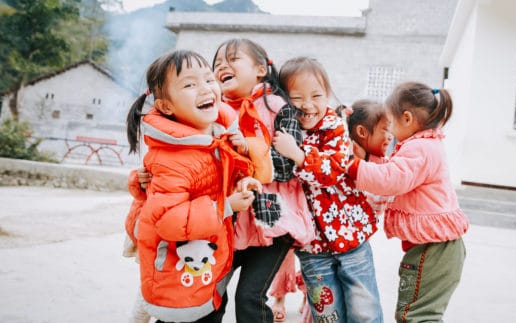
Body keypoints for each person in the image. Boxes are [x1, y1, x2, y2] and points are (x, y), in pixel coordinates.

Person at [124, 49, 262, 323]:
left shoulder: (213, 135)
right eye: (189, 84)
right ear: (166, 107)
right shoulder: (176, 155)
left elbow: (221, 174)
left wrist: (241, 180)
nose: (205, 89)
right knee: (175, 312)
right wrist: (225, 206)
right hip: (177, 256)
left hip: (199, 249)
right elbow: (167, 219)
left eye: (208, 79)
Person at [272, 56, 384, 323]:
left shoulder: (333, 127)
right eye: (296, 97)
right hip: (311, 245)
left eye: (316, 95)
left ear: (328, 95)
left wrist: (298, 155)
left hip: (351, 235)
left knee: (364, 306)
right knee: (326, 312)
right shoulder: (282, 132)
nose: (308, 105)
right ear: (283, 99)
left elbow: (331, 173)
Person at [346, 81, 469, 322]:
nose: (389, 132)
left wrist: (352, 166)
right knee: (421, 314)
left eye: (390, 123)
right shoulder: (425, 145)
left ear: (407, 118)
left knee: (416, 316)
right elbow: (396, 172)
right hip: (438, 248)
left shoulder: (420, 148)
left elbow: (391, 180)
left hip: (433, 250)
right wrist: (369, 158)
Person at [211, 38, 315, 323]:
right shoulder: (213, 112)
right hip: (231, 221)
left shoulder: (277, 107)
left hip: (273, 220)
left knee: (249, 297)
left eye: (232, 59)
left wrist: (246, 149)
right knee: (210, 293)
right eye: (217, 63)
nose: (222, 66)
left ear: (260, 68)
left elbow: (285, 166)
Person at [337, 100, 394, 218]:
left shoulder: (382, 164)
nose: (391, 136)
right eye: (386, 129)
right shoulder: (347, 164)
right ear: (362, 132)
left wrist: (367, 157)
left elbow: (391, 172)